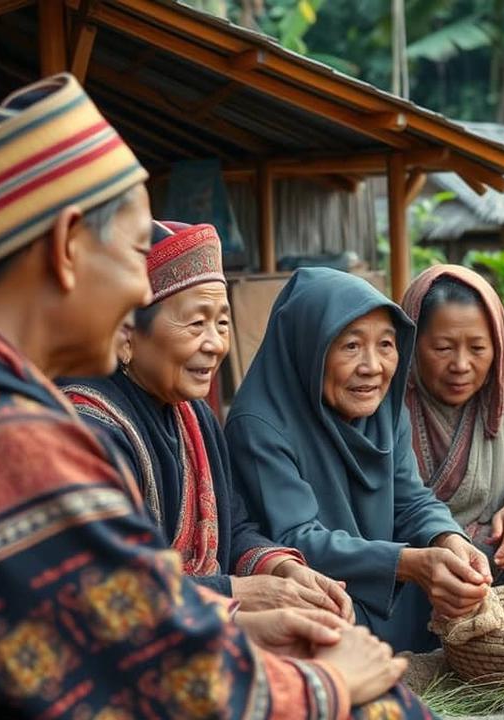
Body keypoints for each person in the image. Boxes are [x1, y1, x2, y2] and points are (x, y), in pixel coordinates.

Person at [0, 74, 421, 718]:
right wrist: (333, 682)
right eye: (136, 251)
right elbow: (168, 680)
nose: (141, 293)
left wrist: (249, 601)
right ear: (67, 248)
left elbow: (108, 614)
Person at [63, 220, 352, 618]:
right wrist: (240, 592)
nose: (215, 344)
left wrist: (283, 570)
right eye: (196, 323)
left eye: (222, 322)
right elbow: (116, 584)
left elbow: (234, 527)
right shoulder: (89, 428)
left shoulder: (193, 413)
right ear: (127, 334)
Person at [227, 267, 492, 652]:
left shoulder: (383, 409)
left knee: (472, 575)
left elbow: (411, 499)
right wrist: (409, 563)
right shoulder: (259, 424)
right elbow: (296, 538)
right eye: (351, 346)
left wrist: (447, 537)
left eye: (386, 345)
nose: (372, 367)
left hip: (387, 580)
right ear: (309, 347)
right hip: (328, 590)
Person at [400, 265, 504, 583]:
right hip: (414, 542)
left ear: (498, 346)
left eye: (477, 348)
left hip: (492, 535)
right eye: (443, 348)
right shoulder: (389, 400)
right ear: (412, 343)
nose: (461, 365)